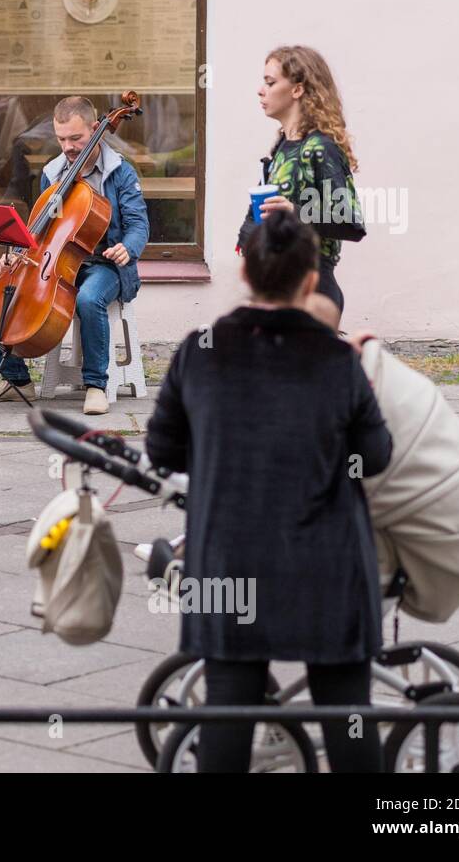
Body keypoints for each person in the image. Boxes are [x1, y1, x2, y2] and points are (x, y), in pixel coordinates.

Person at [145, 209, 392, 773]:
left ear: (245, 275)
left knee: (227, 717)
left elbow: (163, 451)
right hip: (325, 566)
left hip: (231, 561)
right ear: (310, 282)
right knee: (349, 718)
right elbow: (374, 456)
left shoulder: (200, 350)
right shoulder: (336, 360)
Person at [0, 95, 150, 415]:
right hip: (61, 262)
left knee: (89, 298)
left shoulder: (120, 172)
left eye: (75, 138)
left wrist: (127, 248)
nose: (68, 147)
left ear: (95, 129)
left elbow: (138, 223)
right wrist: (18, 253)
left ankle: (95, 385)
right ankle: (18, 380)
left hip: (106, 265)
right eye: (62, 139)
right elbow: (43, 229)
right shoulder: (53, 172)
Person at [238, 45, 363, 329]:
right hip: (275, 289)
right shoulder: (282, 146)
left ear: (297, 90)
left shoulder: (320, 148)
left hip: (313, 289)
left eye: (270, 83)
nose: (261, 90)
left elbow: (351, 223)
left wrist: (295, 212)